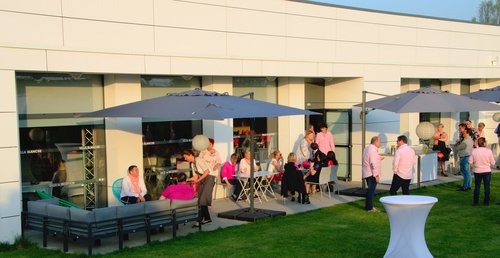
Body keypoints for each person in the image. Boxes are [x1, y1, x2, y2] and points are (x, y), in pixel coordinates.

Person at [184, 149, 216, 226]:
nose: (185, 159)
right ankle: (207, 219)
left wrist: (198, 180)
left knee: (202, 200)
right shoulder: (192, 164)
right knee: (200, 200)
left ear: (190, 155)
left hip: (209, 178)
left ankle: (199, 221)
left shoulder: (198, 160)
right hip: (203, 179)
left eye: (185, 157)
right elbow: (195, 177)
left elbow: (207, 171)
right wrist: (186, 180)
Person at [469, 137, 495, 206]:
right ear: (484, 143)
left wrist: (473, 167)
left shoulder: (474, 150)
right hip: (487, 171)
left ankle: (475, 203)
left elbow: (470, 162)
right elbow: (493, 163)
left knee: (477, 187)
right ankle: (486, 202)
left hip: (477, 171)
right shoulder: (488, 151)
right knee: (487, 187)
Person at [362, 136, 384, 212]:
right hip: (371, 174)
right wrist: (376, 175)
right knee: (371, 191)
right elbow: (373, 164)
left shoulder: (367, 148)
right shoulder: (373, 150)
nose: (380, 143)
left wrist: (379, 157)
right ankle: (369, 207)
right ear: (376, 142)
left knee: (370, 190)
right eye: (379, 141)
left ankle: (369, 206)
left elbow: (370, 159)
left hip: (367, 172)